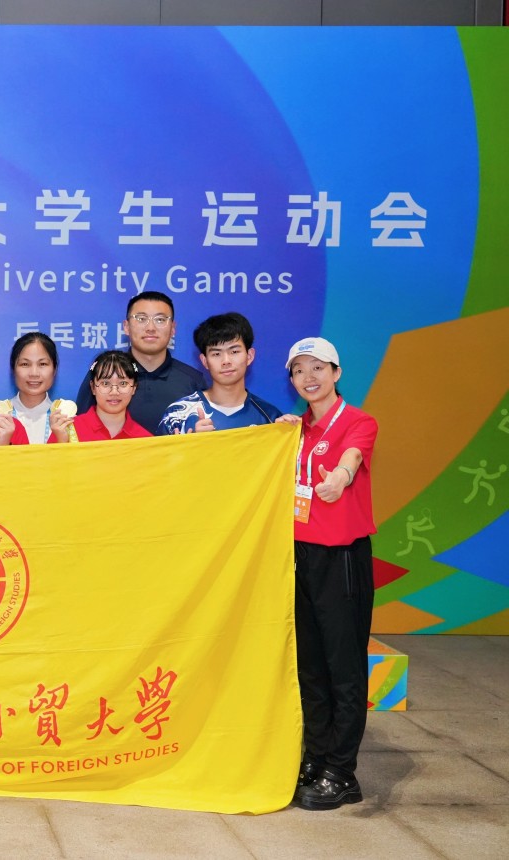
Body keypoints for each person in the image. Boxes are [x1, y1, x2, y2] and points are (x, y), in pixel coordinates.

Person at [278, 337, 379, 811]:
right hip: (300, 557)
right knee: (310, 666)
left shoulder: (358, 422)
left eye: (318, 367)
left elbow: (351, 459)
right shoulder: (292, 430)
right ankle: (316, 758)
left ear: (336, 373)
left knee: (344, 667)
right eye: (299, 370)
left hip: (341, 559)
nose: (309, 377)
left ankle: (342, 770)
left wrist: (339, 478)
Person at [74, 292, 205, 433]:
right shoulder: (104, 374)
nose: (150, 328)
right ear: (126, 326)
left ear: (173, 328)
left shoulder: (192, 381)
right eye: (141, 319)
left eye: (160, 320)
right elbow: (80, 433)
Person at [156, 312, 280, 435]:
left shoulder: (271, 418)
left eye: (234, 352)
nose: (226, 361)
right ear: (204, 361)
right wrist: (190, 443)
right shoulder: (177, 416)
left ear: (249, 356)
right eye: (216, 354)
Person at [50, 350, 152, 443]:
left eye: (123, 383)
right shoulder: (67, 430)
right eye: (105, 383)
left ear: (134, 388)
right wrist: (62, 441)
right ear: (93, 387)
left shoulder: (146, 440)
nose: (114, 392)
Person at [8, 332, 59, 444]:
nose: (34, 373)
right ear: (13, 369)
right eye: (25, 364)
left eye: (43, 364)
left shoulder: (66, 419)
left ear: (55, 369)